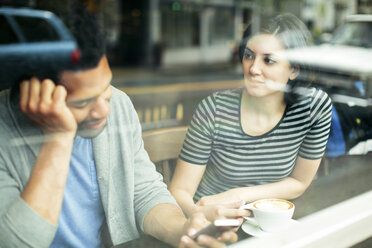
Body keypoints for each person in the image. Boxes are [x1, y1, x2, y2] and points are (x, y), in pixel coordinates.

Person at [0, 3, 237, 248]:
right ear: (34, 93)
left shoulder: (119, 104)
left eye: (105, 90)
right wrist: (57, 139)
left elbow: (143, 190)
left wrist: (181, 230)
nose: (104, 110)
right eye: (82, 102)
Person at [169, 13, 333, 221]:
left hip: (267, 221)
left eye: (269, 60)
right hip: (213, 220)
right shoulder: (215, 109)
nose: (254, 69)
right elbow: (180, 191)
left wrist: (238, 195)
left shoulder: (312, 107)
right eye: (248, 56)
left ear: (294, 70)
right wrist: (198, 218)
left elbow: (299, 182)